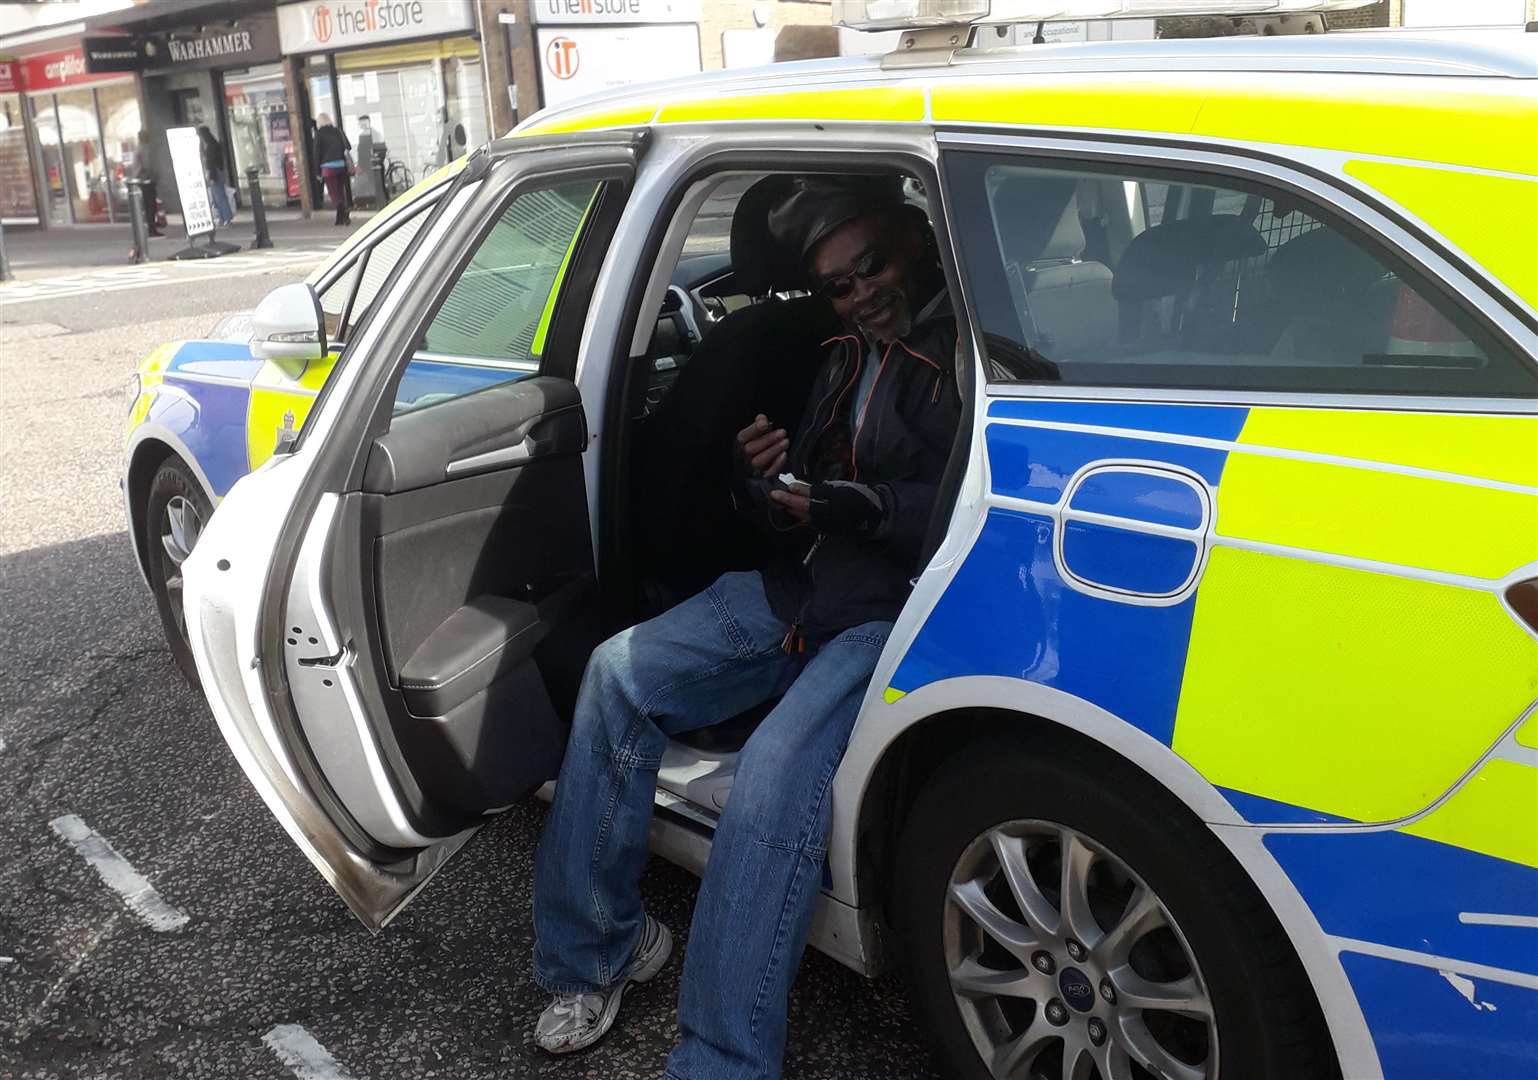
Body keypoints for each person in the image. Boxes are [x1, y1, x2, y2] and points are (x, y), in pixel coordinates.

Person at [530, 175, 960, 1079]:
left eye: (871, 264)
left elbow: (960, 510)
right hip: (798, 586)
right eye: (838, 283)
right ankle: (596, 952)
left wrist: (858, 505)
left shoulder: (965, 358)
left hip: (889, 615)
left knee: (770, 777)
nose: (860, 291)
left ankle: (719, 1061)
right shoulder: (840, 354)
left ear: (914, 241)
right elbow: (792, 497)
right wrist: (760, 482)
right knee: (616, 673)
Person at [313, 114, 352, 226]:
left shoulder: (319, 134)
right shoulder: (338, 131)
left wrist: (317, 172)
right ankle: (341, 217)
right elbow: (348, 146)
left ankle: (342, 209)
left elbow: (316, 154)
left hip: (328, 168)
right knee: (340, 190)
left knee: (333, 192)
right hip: (341, 165)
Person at [197, 125, 234, 228]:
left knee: (219, 196)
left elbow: (211, 163)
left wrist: (211, 176)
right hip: (218, 171)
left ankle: (226, 217)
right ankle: (223, 217)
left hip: (215, 172)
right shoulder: (213, 144)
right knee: (217, 196)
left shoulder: (210, 146)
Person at [135, 130, 163, 237]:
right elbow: (147, 165)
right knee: (151, 206)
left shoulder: (139, 148)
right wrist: (154, 176)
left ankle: (151, 228)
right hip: (147, 179)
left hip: (142, 179)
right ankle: (152, 229)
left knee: (148, 206)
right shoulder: (144, 149)